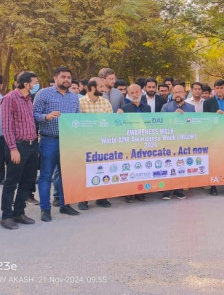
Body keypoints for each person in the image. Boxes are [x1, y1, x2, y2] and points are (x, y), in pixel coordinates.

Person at [34, 66, 81, 221]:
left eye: (69, 77)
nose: (66, 80)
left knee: (66, 175)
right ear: (55, 78)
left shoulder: (74, 97)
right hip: (49, 140)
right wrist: (46, 117)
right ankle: (45, 209)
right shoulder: (43, 94)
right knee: (46, 175)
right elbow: (33, 114)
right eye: (63, 77)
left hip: (68, 142)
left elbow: (77, 118)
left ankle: (65, 204)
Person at [1, 72, 39, 230]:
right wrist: (13, 149)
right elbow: (7, 126)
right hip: (18, 146)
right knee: (11, 182)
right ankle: (6, 216)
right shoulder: (10, 98)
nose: (36, 85)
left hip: (32, 145)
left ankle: (19, 211)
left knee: (27, 181)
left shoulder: (28, 99)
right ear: (26, 84)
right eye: (34, 82)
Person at [77, 77, 113, 210]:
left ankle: (101, 198)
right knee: (85, 172)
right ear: (92, 88)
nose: (104, 89)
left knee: (102, 170)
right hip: (85, 143)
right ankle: (83, 199)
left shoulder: (106, 102)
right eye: (101, 87)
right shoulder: (79, 102)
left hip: (102, 143)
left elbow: (110, 122)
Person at [160, 84, 195, 200]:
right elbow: (161, 123)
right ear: (172, 94)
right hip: (169, 141)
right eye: (175, 92)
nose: (178, 94)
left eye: (180, 92)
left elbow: (194, 123)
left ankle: (178, 189)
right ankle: (167, 190)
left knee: (181, 165)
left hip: (184, 141)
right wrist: (173, 117)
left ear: (185, 93)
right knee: (168, 165)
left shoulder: (191, 107)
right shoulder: (166, 107)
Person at [118, 84, 151, 202]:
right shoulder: (124, 108)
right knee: (130, 167)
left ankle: (140, 192)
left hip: (143, 141)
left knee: (142, 167)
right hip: (130, 142)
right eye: (132, 93)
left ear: (141, 92)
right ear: (128, 95)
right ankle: (129, 193)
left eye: (137, 92)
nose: (135, 95)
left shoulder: (147, 108)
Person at [203, 79, 224, 196]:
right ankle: (213, 186)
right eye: (217, 88)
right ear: (214, 89)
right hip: (214, 134)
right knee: (214, 160)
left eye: (222, 88)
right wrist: (215, 115)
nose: (219, 90)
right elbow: (205, 119)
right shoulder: (207, 102)